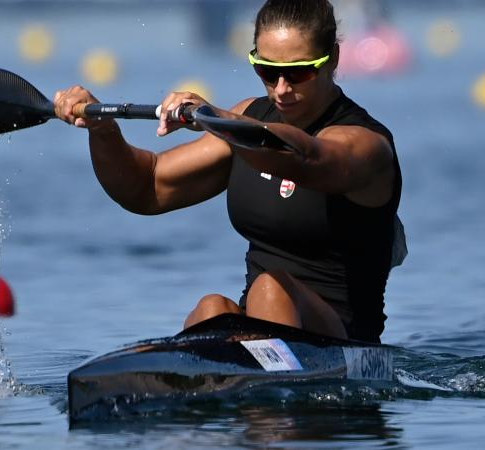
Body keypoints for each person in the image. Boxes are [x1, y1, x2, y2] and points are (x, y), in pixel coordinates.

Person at [54, 0, 405, 343]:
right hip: (265, 330)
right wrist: (103, 130)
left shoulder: (365, 144)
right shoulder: (246, 120)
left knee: (271, 287)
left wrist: (216, 119)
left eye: (298, 72)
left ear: (333, 60)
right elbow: (146, 187)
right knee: (211, 309)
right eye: (268, 71)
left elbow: (307, 158)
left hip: (345, 343)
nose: (281, 89)